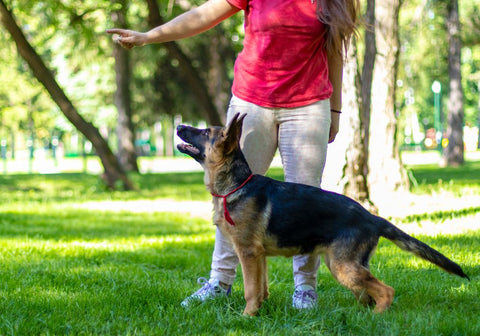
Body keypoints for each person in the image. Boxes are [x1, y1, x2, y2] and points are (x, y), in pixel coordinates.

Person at [107, 0, 359, 309]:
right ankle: (220, 282)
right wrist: (148, 36)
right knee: (231, 198)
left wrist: (335, 110)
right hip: (252, 104)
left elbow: (335, 52)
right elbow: (202, 16)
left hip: (308, 106)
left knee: (306, 199)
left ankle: (305, 289)